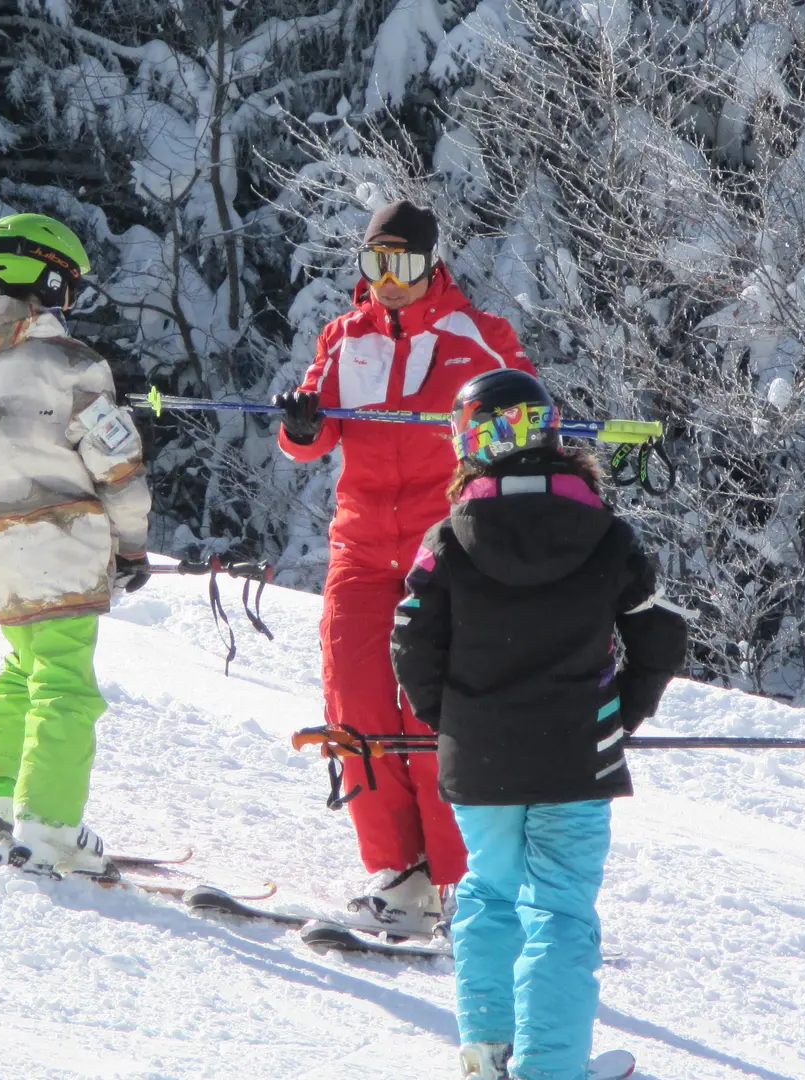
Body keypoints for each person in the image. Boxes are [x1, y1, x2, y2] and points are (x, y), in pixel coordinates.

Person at [389, 369, 688, 1080]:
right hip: (575, 758)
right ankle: (551, 1068)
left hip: (480, 759)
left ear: (468, 446)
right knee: (559, 910)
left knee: (489, 895)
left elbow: (410, 640)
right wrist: (625, 714)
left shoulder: (447, 538)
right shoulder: (607, 535)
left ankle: (486, 1054)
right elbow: (660, 636)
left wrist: (453, 718)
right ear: (552, 434)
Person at [276, 199, 536, 932]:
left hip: (442, 550)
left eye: (405, 264)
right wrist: (300, 424)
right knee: (356, 706)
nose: (389, 280)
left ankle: (458, 878)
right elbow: (312, 431)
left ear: (432, 263)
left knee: (434, 710)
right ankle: (397, 871)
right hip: (361, 549)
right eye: (375, 263)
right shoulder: (346, 336)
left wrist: (500, 433)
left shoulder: (476, 337)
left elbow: (524, 415)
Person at [0, 212, 152, 876]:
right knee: (66, 686)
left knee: (23, 665)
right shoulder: (71, 364)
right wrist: (130, 547)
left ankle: (2, 801)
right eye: (68, 287)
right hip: (57, 545)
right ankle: (48, 831)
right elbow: (118, 468)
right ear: (48, 278)